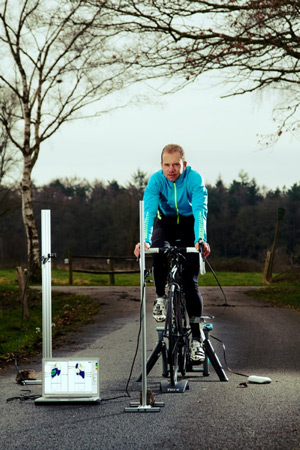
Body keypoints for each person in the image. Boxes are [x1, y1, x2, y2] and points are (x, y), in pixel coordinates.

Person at [134, 144, 210, 362]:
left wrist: (200, 239)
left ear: (184, 164)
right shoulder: (156, 180)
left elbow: (200, 210)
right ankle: (160, 297)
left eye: (176, 164)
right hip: (165, 223)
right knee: (158, 250)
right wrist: (145, 240)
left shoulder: (195, 179)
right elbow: (148, 211)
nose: (171, 169)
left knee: (190, 282)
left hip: (190, 225)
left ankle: (196, 339)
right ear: (161, 165)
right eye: (167, 165)